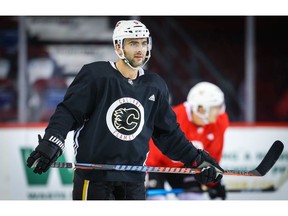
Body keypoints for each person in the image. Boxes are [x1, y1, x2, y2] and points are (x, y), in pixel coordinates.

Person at [26, 20, 223, 200]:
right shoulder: (96, 75)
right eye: (133, 43)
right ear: (118, 47)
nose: (140, 49)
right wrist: (53, 139)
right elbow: (68, 112)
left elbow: (168, 134)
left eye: (144, 43)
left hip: (134, 179)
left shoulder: (154, 85)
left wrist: (196, 159)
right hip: (94, 178)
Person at [146, 81, 229, 200]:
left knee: (194, 199)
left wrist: (213, 182)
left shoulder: (219, 121)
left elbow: (214, 153)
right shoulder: (174, 117)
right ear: (201, 109)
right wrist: (147, 176)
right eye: (216, 107)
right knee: (156, 200)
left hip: (187, 166)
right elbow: (153, 150)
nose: (220, 111)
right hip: (158, 166)